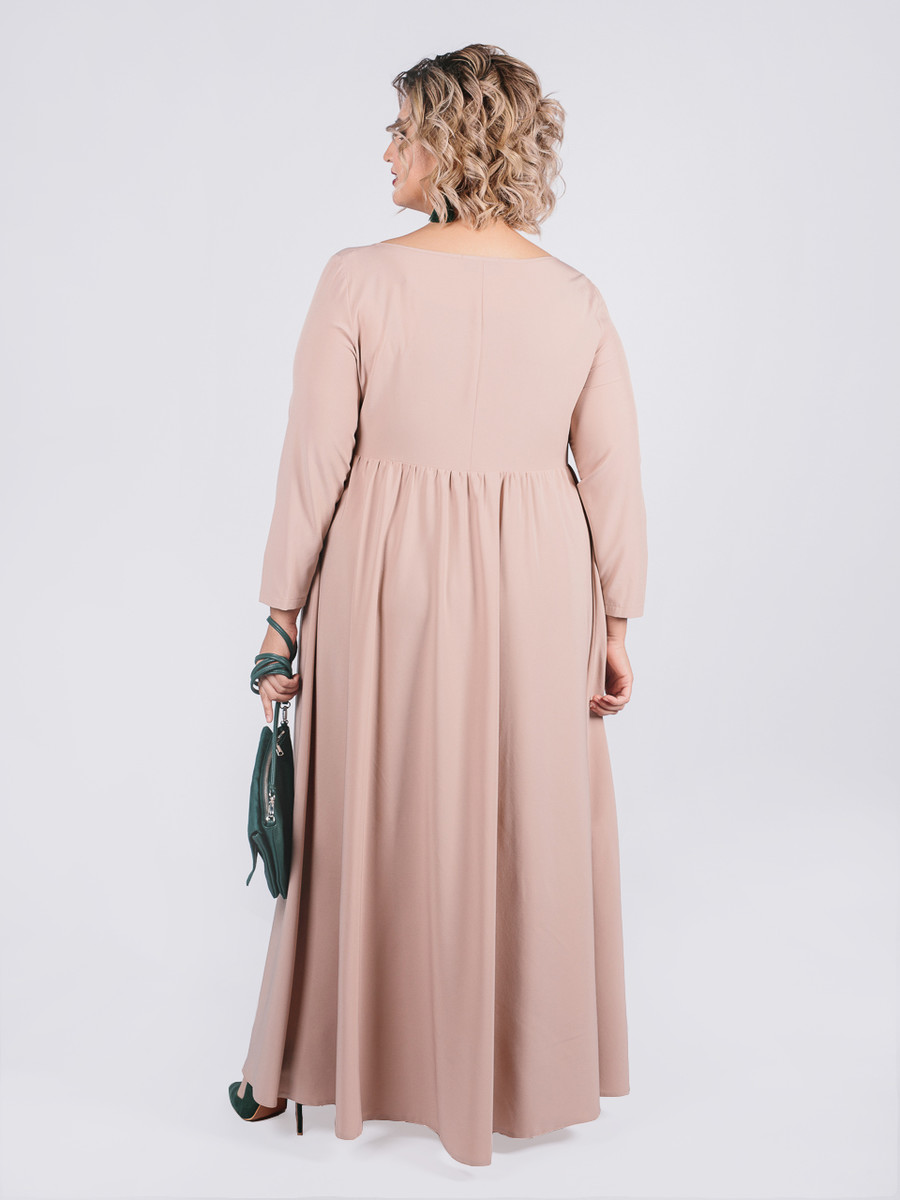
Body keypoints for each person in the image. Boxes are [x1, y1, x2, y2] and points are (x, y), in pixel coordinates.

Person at [228, 43, 648, 1168]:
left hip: (388, 568)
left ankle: (303, 1065)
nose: (386, 151)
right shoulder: (575, 296)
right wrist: (616, 621)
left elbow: (314, 461)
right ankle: (516, 1072)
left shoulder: (358, 278)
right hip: (541, 579)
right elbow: (612, 472)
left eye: (402, 130)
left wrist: (281, 615)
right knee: (525, 816)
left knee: (364, 811)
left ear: (450, 142)